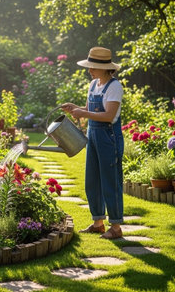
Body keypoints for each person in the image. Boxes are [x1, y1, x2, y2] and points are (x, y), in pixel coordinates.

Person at [61, 46, 124, 239]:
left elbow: (108, 115)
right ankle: (98, 222)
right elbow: (89, 109)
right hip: (93, 136)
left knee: (110, 182)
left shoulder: (114, 87)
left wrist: (84, 113)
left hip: (108, 137)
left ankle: (115, 227)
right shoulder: (94, 84)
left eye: (93, 67)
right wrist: (75, 108)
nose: (90, 70)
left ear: (106, 68)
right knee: (92, 181)